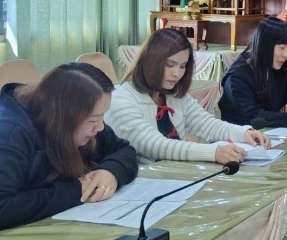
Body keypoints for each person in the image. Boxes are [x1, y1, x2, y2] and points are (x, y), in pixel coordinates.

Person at [0, 62, 138, 235]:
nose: (100, 127)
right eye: (93, 119)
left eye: (102, 116)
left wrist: (111, 172)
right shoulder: (8, 139)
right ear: (63, 115)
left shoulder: (86, 128)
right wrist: (74, 191)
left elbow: (123, 149)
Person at [107, 28, 270, 165]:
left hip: (174, 176)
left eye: (183, 66)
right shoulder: (121, 100)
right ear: (151, 62)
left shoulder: (173, 95)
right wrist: (214, 152)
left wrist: (244, 133)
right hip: (143, 183)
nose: (177, 73)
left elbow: (207, 124)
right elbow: (157, 146)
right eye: (170, 65)